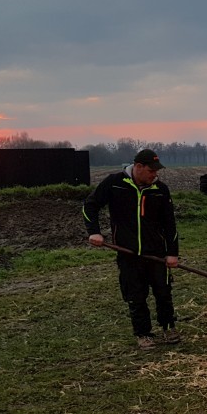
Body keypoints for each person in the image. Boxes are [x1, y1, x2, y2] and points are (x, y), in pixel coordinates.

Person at [83, 148, 181, 350]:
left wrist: (172, 253)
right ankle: (143, 334)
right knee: (135, 295)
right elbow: (90, 206)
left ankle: (168, 326)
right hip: (128, 253)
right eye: (151, 170)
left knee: (163, 292)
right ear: (138, 167)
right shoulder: (115, 183)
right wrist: (94, 232)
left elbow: (170, 224)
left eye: (156, 171)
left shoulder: (160, 189)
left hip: (156, 253)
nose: (155, 174)